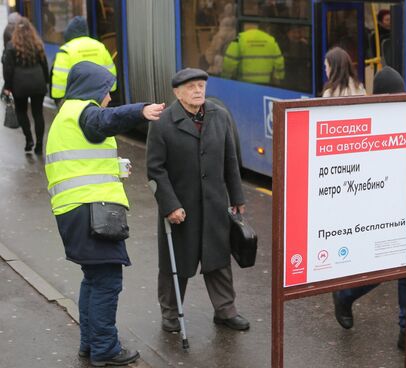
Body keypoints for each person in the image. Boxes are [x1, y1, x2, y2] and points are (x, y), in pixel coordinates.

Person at [44, 61, 164, 366]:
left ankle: (90, 343)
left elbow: (82, 159)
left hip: (75, 210)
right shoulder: (85, 111)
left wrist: (113, 168)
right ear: (93, 89)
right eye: (106, 90)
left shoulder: (66, 115)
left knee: (94, 279)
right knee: (108, 281)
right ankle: (106, 349)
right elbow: (105, 119)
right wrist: (140, 111)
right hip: (90, 211)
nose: (109, 96)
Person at [331, 66, 406, 362]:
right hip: (374, 212)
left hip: (405, 212)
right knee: (381, 268)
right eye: (397, 96)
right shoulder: (364, 121)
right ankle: (345, 295)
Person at [146, 68, 249, 334]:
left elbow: (230, 159)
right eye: (191, 87)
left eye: (201, 85)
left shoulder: (220, 116)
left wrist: (236, 196)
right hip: (181, 207)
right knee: (175, 263)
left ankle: (226, 311)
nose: (198, 90)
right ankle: (170, 313)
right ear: (177, 93)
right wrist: (170, 205)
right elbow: (155, 169)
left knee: (218, 259)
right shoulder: (163, 122)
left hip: (215, 203)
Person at [2, 17, 49, 154]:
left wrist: (7, 87)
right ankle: (39, 145)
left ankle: (29, 140)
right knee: (38, 114)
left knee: (21, 112)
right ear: (31, 30)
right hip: (37, 83)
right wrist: (45, 82)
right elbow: (44, 65)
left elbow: (8, 70)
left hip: (20, 86)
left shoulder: (11, 46)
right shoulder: (38, 44)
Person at [50, 16, 116, 100]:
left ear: (69, 33)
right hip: (99, 96)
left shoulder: (65, 50)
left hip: (76, 99)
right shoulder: (100, 46)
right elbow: (110, 71)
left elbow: (60, 79)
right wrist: (110, 90)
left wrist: (59, 99)